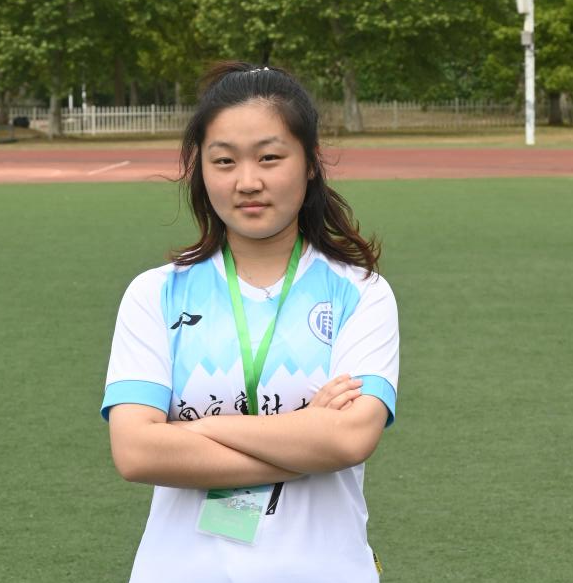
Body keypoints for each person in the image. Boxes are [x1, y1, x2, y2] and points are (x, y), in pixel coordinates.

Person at [101, 61, 399, 583]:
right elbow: (135, 451)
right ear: (201, 169)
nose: (247, 181)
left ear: (310, 163)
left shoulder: (361, 292)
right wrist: (305, 436)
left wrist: (197, 431)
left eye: (269, 157)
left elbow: (349, 439)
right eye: (224, 161)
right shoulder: (155, 294)